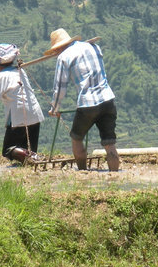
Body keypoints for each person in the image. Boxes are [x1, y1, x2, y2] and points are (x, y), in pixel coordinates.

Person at [46, 28, 120, 171]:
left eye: (55, 50)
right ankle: (115, 174)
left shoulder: (64, 57)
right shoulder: (93, 47)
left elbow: (60, 87)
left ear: (59, 47)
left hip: (88, 102)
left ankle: (82, 171)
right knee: (109, 142)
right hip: (108, 99)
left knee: (77, 138)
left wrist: (54, 108)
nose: (55, 54)